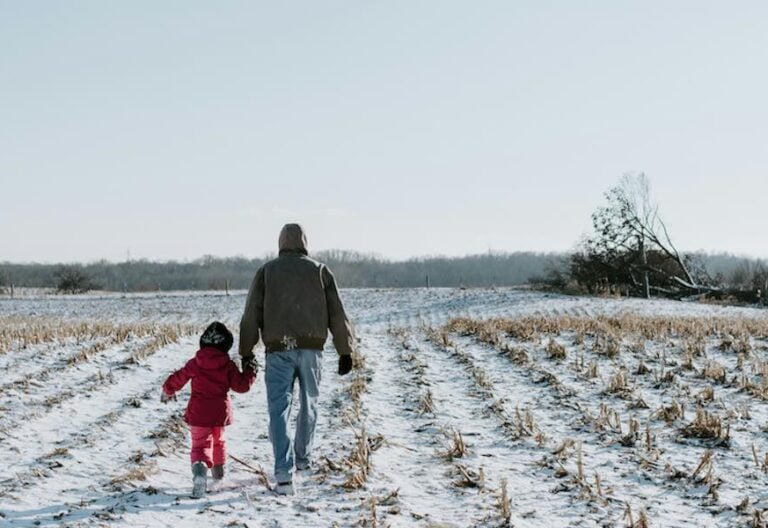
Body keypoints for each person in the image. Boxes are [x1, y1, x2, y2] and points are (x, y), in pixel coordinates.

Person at [239, 223, 355, 495]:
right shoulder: (320, 271)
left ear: (280, 242)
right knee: (308, 404)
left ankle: (283, 472)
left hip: (278, 350)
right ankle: (303, 460)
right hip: (312, 349)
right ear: (304, 242)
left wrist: (246, 351)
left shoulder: (267, 271)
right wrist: (345, 350)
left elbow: (251, 313)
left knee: (279, 409)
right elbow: (337, 312)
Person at [162, 321, 257, 498]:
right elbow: (241, 386)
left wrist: (168, 389)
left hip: (198, 412)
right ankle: (218, 474)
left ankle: (199, 473)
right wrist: (251, 371)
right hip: (219, 412)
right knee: (219, 441)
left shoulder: (195, 363)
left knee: (200, 444)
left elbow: (179, 378)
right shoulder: (227, 365)